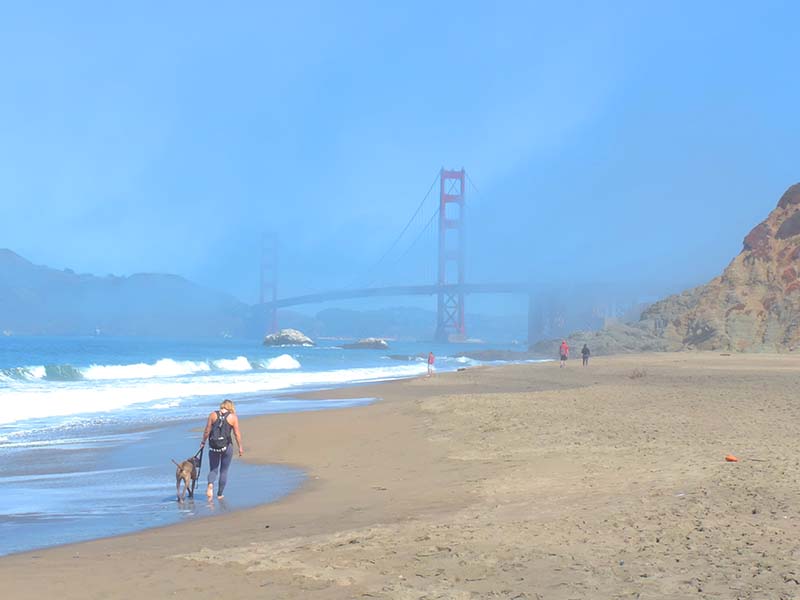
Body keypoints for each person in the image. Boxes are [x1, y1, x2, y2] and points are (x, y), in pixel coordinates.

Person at [200, 399, 244, 500]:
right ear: (231, 407)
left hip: (213, 446)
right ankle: (219, 494)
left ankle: (210, 484)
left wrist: (203, 442)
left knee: (213, 469)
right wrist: (240, 447)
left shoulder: (212, 415)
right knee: (224, 471)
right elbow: (237, 434)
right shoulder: (232, 417)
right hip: (226, 447)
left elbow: (207, 430)